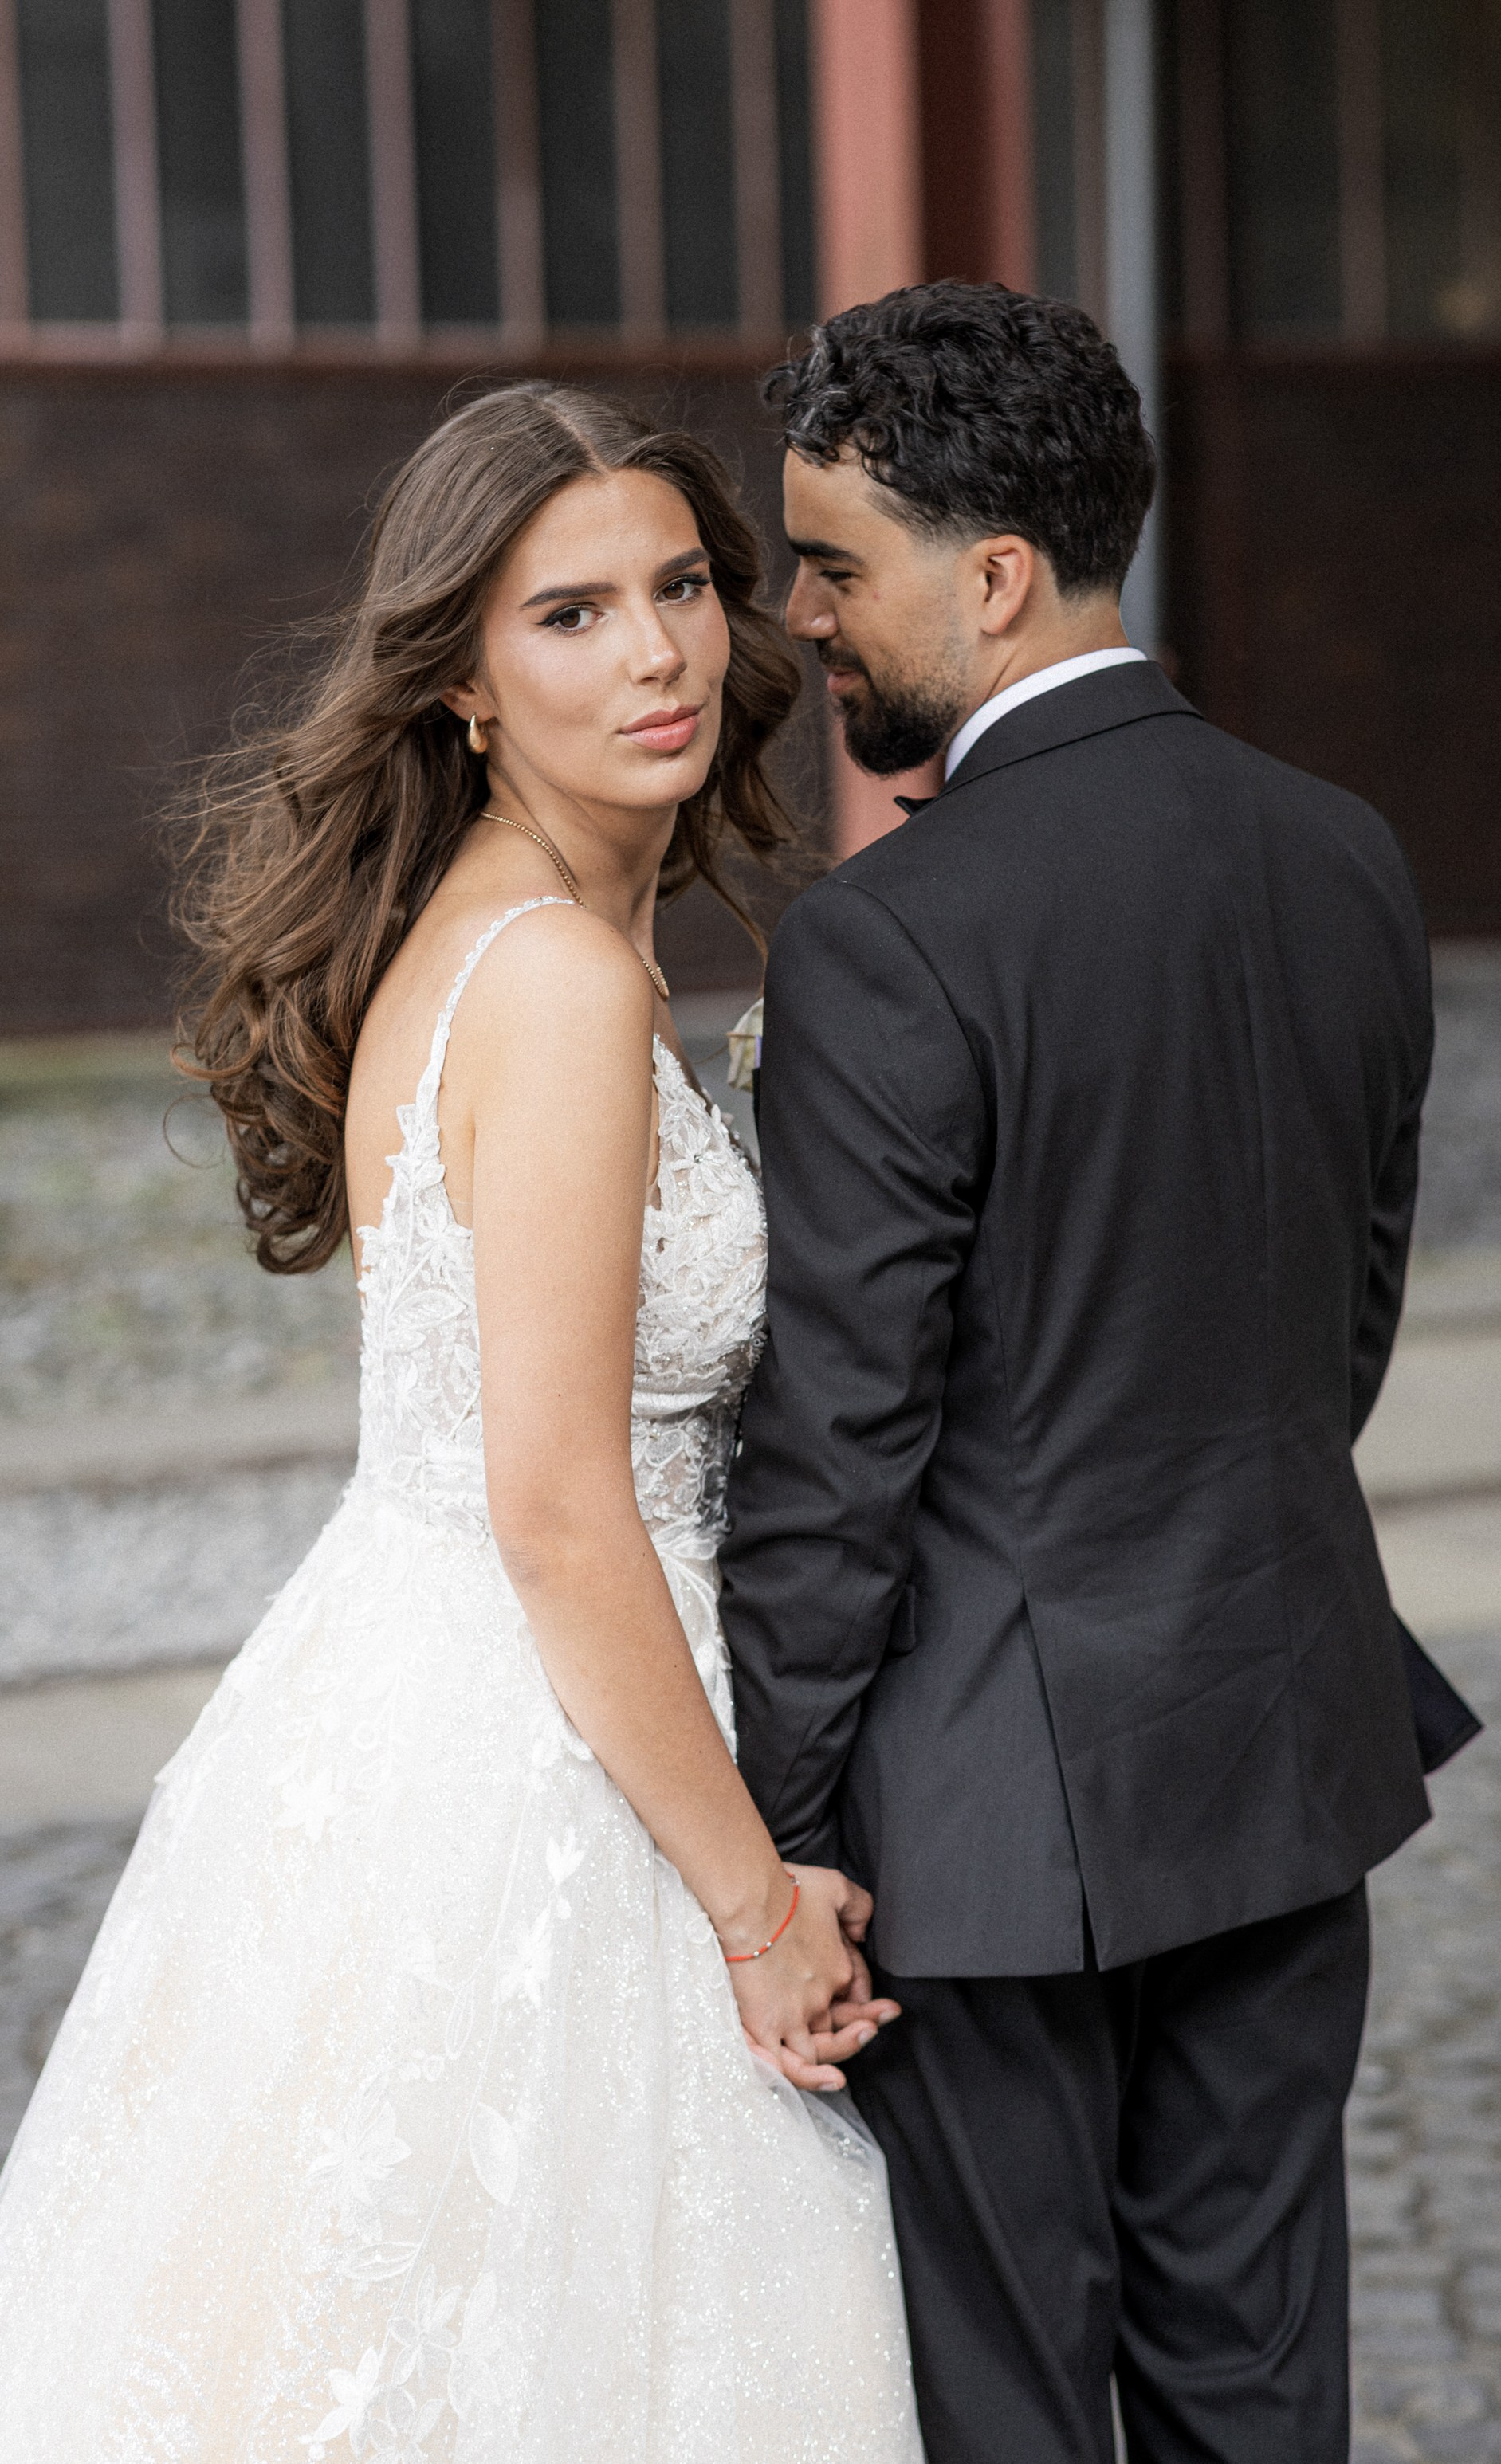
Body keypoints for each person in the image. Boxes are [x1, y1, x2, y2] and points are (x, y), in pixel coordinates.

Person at [0, 385, 924, 2464]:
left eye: (680, 586)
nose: (665, 652)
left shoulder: (495, 936)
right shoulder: (563, 984)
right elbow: (558, 1510)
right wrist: (758, 1909)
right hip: (549, 1743)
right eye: (573, 615)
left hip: (398, 1689)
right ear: (467, 687)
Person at [719, 282, 1475, 2464]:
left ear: (996, 574)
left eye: (836, 567)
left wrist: (777, 1839)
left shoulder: (896, 936)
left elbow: (837, 1451)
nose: (807, 624)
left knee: (1011, 2406)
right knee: (1257, 2381)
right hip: (1279, 1738)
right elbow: (1345, 1320)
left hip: (985, 1830)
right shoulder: (1347, 853)